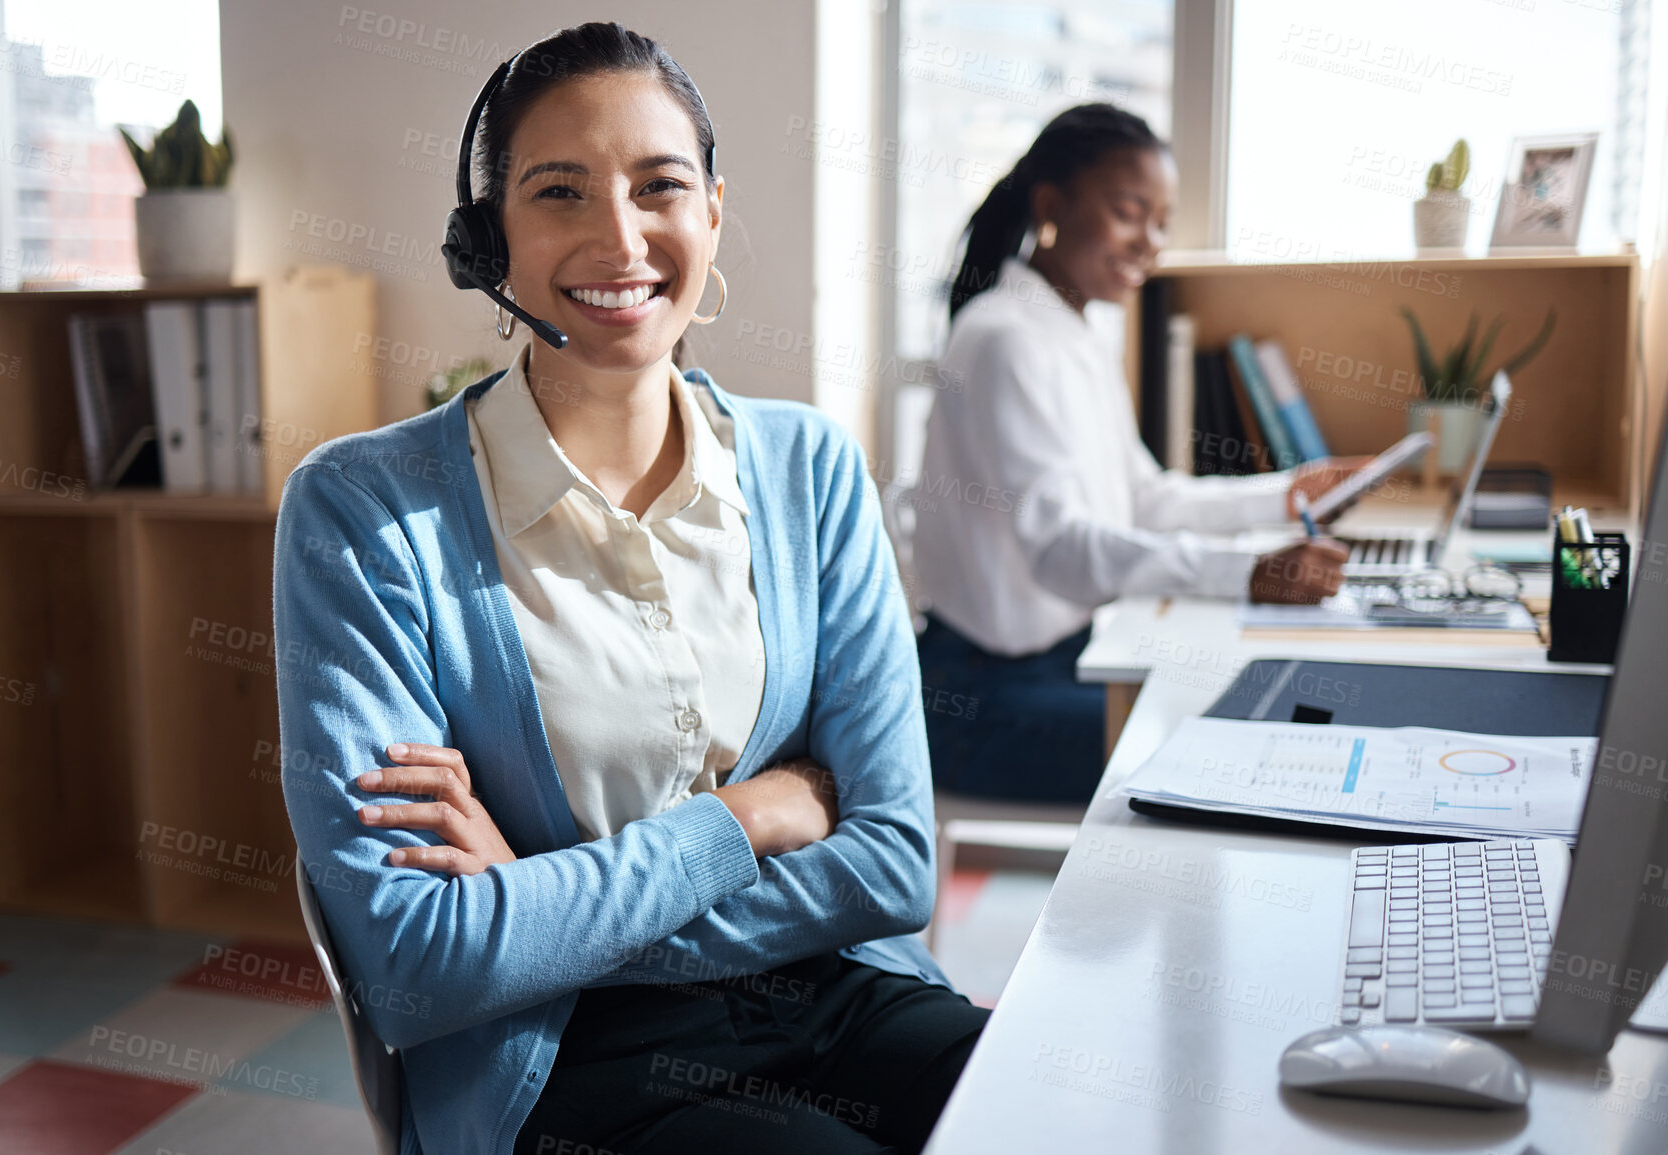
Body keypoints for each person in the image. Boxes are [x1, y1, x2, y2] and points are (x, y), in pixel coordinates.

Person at [273, 23, 985, 1155]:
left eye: (659, 187)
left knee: (1062, 1108)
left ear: (710, 212)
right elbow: (416, 963)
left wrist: (546, 905)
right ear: (487, 241)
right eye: (559, 191)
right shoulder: (362, 514)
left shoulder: (810, 470)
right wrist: (744, 821)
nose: (619, 237)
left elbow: (892, 867)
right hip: (561, 1054)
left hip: (843, 994)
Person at [909, 103, 1359, 805]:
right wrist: (1247, 572)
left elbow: (1144, 498)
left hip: (1067, 657)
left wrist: (1288, 494)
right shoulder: (1004, 337)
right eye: (1128, 213)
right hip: (978, 695)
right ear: (1051, 206)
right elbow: (1061, 549)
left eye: (1160, 222)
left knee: (1256, 706)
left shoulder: (1070, 330)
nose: (1150, 242)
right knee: (1235, 741)